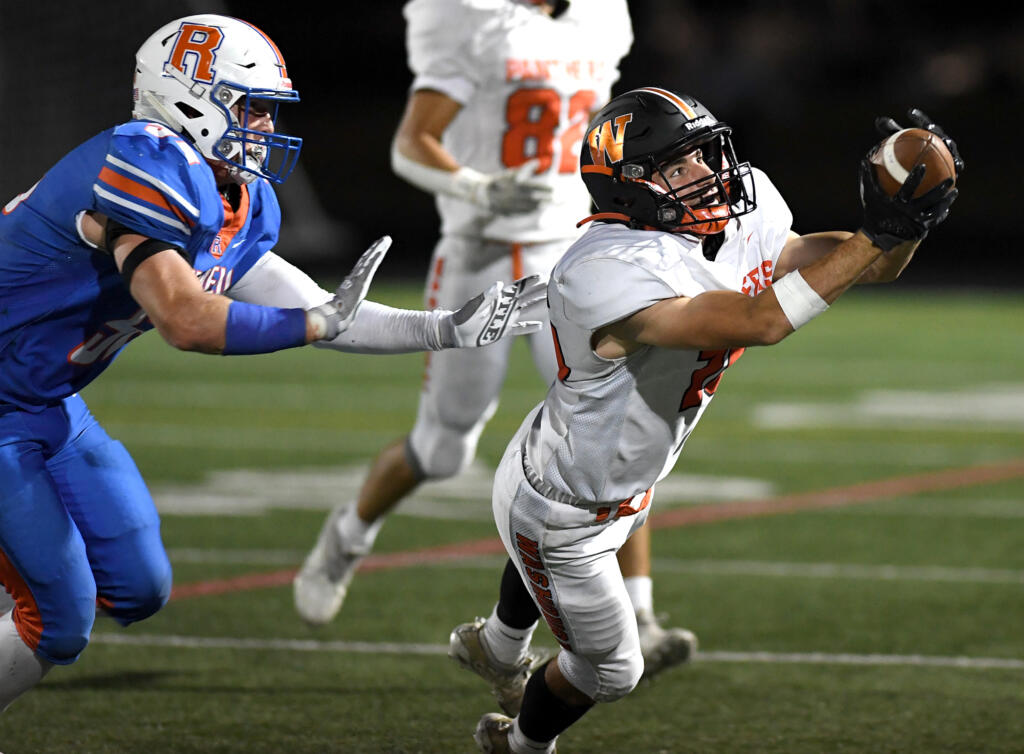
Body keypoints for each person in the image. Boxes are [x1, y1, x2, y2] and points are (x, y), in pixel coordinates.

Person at [0, 13, 545, 714]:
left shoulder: (236, 198)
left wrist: (445, 327)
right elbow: (188, 321)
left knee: (138, 586)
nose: (261, 126)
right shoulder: (144, 160)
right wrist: (315, 321)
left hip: (44, 399)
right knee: (59, 620)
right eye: (249, 106)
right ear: (189, 96)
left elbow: (325, 310)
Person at [447, 86, 961, 753]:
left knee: (574, 573)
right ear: (630, 186)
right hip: (563, 504)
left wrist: (906, 229)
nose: (710, 173)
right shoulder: (603, 269)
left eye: (706, 153)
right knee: (611, 670)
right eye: (682, 165)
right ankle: (520, 746)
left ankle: (496, 645)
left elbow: (850, 264)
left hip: (605, 465)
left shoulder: (737, 209)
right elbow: (763, 320)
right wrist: (875, 236)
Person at [293, 0, 698, 679]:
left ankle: (641, 611)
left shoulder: (599, 18)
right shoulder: (469, 17)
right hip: (480, 246)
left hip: (570, 250)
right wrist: (476, 187)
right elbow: (410, 144)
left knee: (616, 431)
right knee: (443, 448)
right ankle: (347, 536)